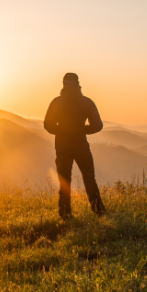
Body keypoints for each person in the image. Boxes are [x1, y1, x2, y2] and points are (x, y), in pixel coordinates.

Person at [43, 72, 105, 219]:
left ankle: (65, 213)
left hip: (63, 147)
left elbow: (48, 125)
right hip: (81, 146)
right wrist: (82, 130)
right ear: (78, 84)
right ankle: (99, 211)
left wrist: (63, 130)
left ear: (63, 84)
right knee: (89, 178)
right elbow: (98, 125)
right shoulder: (86, 102)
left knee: (65, 181)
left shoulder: (57, 102)